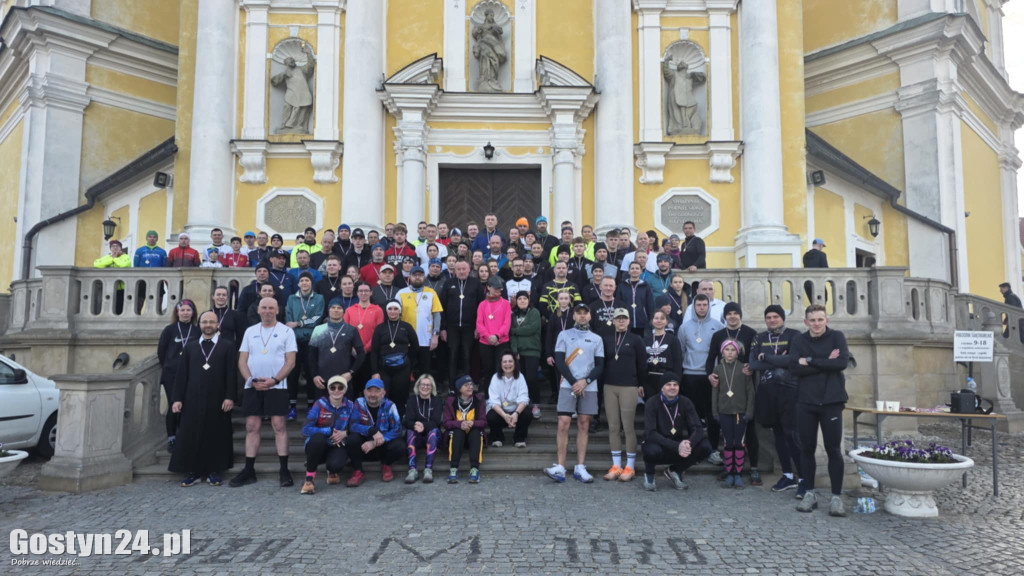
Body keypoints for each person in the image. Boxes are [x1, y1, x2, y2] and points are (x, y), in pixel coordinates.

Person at [231, 297, 298, 488]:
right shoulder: (250, 331)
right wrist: (250, 380)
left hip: (277, 386)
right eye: (264, 307)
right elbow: (242, 360)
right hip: (253, 386)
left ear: (277, 310)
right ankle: (248, 470)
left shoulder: (286, 331)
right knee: (252, 426)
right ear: (258, 310)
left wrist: (275, 380)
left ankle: (284, 470)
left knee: (279, 426)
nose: (267, 310)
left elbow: (290, 361)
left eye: (271, 308)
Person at [791, 304, 850, 517]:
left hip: (831, 400)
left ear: (826, 320)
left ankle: (836, 497)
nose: (816, 324)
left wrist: (809, 361)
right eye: (812, 320)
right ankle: (809, 493)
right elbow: (794, 367)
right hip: (805, 401)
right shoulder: (799, 340)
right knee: (806, 449)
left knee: (833, 449)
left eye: (820, 319)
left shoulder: (837, 337)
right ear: (806, 322)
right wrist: (826, 361)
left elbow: (841, 363)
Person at [169, 310, 237, 487]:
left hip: (218, 398)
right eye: (205, 322)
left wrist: (230, 396)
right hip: (192, 398)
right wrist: (177, 399)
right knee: (191, 434)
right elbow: (181, 375)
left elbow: (231, 374)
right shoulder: (190, 347)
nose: (208, 325)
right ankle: (193, 471)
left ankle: (214, 471)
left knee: (216, 434)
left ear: (217, 325)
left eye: (212, 322)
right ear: (199, 324)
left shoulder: (227, 346)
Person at [544, 302, 605, 483]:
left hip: (589, 386)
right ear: (573, 316)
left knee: (584, 424)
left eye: (585, 313)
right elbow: (559, 361)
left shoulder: (596, 338)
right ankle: (561, 467)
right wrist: (573, 382)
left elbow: (600, 365)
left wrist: (584, 382)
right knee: (563, 422)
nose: (582, 316)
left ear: (590, 316)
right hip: (567, 385)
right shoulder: (564, 334)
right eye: (579, 313)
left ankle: (580, 466)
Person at [749, 305, 804, 493]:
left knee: (793, 435)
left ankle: (803, 477)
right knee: (778, 436)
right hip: (768, 392)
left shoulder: (795, 335)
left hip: (789, 392)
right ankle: (788, 475)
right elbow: (754, 363)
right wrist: (778, 358)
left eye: (776, 317)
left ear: (782, 318)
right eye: (769, 317)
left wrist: (769, 358)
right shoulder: (760, 337)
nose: (772, 320)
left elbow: (794, 360)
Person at [705, 301, 760, 484]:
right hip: (724, 384)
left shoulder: (750, 333)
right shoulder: (718, 335)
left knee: (748, 433)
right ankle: (730, 470)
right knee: (729, 438)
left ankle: (752, 469)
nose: (732, 316)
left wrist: (751, 368)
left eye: (736, 313)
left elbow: (754, 356)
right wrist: (710, 375)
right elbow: (710, 358)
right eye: (729, 313)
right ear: (725, 316)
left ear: (740, 315)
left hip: (743, 384)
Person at [641, 373, 711, 491]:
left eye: (675, 384)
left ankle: (675, 471)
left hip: (678, 445)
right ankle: (649, 474)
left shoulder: (685, 402)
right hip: (658, 444)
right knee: (651, 450)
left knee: (705, 446)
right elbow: (650, 433)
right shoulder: (652, 402)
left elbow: (697, 428)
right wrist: (677, 446)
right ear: (662, 387)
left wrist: (688, 443)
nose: (672, 387)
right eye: (668, 384)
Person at [678, 293, 725, 465]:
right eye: (698, 305)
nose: (702, 308)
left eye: (705, 305)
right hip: (690, 375)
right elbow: (681, 351)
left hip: (710, 376)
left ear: (708, 306)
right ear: (694, 306)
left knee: (712, 415)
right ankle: (694, 449)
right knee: (692, 416)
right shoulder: (685, 327)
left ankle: (713, 449)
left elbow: (721, 353)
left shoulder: (718, 326)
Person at [601, 308, 647, 482]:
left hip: (629, 386)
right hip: (609, 385)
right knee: (613, 426)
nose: (621, 321)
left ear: (629, 321)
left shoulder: (636, 339)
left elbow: (642, 364)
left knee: (628, 426)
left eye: (624, 318)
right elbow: (602, 362)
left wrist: (641, 384)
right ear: (613, 321)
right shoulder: (606, 340)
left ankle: (630, 466)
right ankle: (616, 465)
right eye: (618, 318)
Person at [157, 300, 200, 454]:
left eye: (189, 310)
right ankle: (172, 438)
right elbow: (161, 352)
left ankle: (184, 435)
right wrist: (170, 365)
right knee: (174, 404)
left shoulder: (197, 331)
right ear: (177, 312)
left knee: (187, 406)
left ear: (193, 312)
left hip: (191, 374)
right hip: (172, 375)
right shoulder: (169, 330)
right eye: (182, 310)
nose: (185, 313)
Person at [711, 340, 756, 488]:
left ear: (738, 352)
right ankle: (729, 473)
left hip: (740, 412)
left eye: (733, 350)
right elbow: (715, 391)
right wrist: (714, 411)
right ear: (722, 352)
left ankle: (738, 474)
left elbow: (750, 391)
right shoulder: (718, 369)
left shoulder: (744, 368)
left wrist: (749, 411)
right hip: (724, 412)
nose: (730, 352)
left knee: (739, 443)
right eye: (727, 349)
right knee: (728, 443)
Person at [299, 375, 353, 494]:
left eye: (340, 387)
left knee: (336, 465)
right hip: (318, 444)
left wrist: (346, 433)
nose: (336, 390)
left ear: (345, 389)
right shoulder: (319, 404)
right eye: (333, 388)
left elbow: (357, 426)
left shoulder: (350, 406)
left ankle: (331, 470)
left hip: (337, 444)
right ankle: (309, 479)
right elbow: (305, 429)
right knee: (317, 439)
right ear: (328, 390)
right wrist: (328, 431)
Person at [346, 378, 405, 486]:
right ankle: (358, 470)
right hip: (364, 447)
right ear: (364, 392)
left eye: (377, 391)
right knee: (352, 439)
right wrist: (371, 431)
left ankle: (386, 465)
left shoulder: (390, 406)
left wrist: (375, 442)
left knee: (400, 445)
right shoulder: (359, 403)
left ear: (383, 393)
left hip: (383, 446)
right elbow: (353, 426)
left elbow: (397, 430)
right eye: (369, 390)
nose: (373, 394)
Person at [308, 297, 365, 403]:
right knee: (322, 415)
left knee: (345, 414)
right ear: (328, 310)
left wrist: (351, 373)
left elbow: (361, 354)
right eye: (333, 307)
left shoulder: (351, 330)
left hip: (343, 379)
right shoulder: (318, 329)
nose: (336, 310)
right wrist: (315, 375)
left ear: (343, 311)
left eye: (339, 308)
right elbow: (311, 356)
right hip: (322, 380)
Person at [370, 300, 420, 419]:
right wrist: (374, 371)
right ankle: (385, 418)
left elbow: (415, 346)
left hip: (403, 368)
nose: (393, 312)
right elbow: (374, 351)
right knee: (385, 393)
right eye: (390, 309)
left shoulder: (406, 327)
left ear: (400, 311)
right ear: (386, 311)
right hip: (384, 368)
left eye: (395, 309)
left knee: (400, 394)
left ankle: (399, 418)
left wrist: (408, 362)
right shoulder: (380, 328)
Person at [284, 271, 324, 420]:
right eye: (302, 281)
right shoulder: (292, 298)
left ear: (311, 283)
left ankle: (310, 406)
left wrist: (299, 323)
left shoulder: (319, 298)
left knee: (310, 373)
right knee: (292, 374)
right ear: (299, 283)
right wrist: (294, 325)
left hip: (311, 341)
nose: (305, 283)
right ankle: (292, 407)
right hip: (294, 341)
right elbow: (288, 319)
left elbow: (317, 318)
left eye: (307, 280)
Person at [440, 260, 484, 391]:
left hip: (469, 327)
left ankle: (467, 386)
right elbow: (442, 307)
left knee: (466, 354)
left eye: (464, 269)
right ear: (454, 270)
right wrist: (443, 328)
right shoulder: (448, 283)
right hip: (452, 327)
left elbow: (481, 306)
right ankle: (452, 386)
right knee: (453, 354)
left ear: (469, 269)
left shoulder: (475, 283)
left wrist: (478, 327)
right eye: (458, 269)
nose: (461, 271)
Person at [397, 266, 443, 378]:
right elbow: (396, 315)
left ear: (424, 277)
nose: (417, 277)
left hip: (425, 339)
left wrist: (435, 335)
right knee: (406, 370)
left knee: (425, 370)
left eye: (420, 275)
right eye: (415, 275)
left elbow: (437, 315)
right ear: (410, 277)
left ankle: (424, 393)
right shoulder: (401, 293)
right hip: (406, 339)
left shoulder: (431, 292)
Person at [444, 374, 487, 483]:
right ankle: (453, 469)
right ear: (459, 388)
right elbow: (446, 423)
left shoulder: (478, 400)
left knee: (476, 432)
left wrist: (472, 423)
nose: (470, 387)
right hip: (457, 437)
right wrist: (460, 424)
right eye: (466, 385)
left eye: (471, 384)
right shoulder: (451, 402)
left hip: (473, 436)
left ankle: (474, 469)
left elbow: (483, 422)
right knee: (458, 431)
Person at [486, 351, 534, 448]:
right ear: (500, 364)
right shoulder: (495, 378)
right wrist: (504, 416)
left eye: (510, 361)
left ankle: (519, 438)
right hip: (501, 412)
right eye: (504, 362)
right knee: (491, 416)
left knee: (528, 413)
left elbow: (524, 399)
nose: (507, 364)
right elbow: (493, 402)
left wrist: (516, 414)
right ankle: (497, 438)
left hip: (516, 412)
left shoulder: (520, 377)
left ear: (515, 363)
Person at [344, 283, 384, 397]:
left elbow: (378, 332)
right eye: (361, 291)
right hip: (353, 353)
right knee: (355, 382)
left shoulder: (377, 310)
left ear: (371, 293)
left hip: (370, 353)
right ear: (357, 293)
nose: (363, 293)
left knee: (368, 382)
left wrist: (365, 349)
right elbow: (346, 331)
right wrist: (352, 348)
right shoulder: (349, 310)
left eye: (366, 291)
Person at [404, 374, 444, 484]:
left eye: (428, 385)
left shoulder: (437, 400)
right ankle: (412, 470)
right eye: (423, 384)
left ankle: (428, 469)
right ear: (418, 386)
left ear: (432, 387)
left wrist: (423, 426)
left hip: (433, 438)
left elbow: (436, 421)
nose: (425, 387)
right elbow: (408, 421)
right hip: (417, 436)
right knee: (409, 431)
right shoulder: (412, 400)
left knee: (433, 432)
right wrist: (416, 426)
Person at [509, 291, 543, 417]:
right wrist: (514, 351)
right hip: (519, 352)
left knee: (531, 378)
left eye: (525, 298)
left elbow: (531, 329)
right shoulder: (513, 315)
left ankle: (536, 404)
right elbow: (513, 336)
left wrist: (514, 330)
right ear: (516, 301)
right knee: (519, 379)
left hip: (532, 350)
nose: (522, 301)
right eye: (519, 299)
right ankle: (523, 403)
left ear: (528, 300)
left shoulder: (534, 312)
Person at [476, 276, 511, 392]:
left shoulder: (506, 303)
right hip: (485, 342)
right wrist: (488, 336)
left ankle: (501, 395)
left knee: (500, 370)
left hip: (502, 342)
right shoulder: (482, 304)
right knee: (487, 370)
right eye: (496, 288)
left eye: (500, 289)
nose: (498, 291)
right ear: (488, 287)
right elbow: (479, 323)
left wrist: (497, 336)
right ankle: (487, 397)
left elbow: (507, 323)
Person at [643, 310, 683, 401]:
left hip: (667, 378)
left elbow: (678, 362)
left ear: (666, 321)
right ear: (652, 321)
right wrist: (642, 383)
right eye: (656, 318)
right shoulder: (645, 340)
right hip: (650, 379)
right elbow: (642, 363)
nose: (659, 321)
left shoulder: (673, 340)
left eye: (662, 318)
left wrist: (676, 382)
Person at [616, 262, 656, 336]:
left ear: (641, 271)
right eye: (632, 268)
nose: (635, 270)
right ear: (629, 271)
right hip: (626, 323)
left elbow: (650, 305)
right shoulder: (622, 286)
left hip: (642, 323)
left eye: (637, 268)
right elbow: (618, 304)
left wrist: (650, 319)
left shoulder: (646, 286)